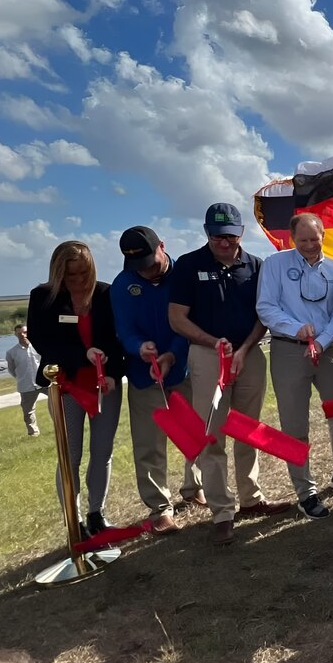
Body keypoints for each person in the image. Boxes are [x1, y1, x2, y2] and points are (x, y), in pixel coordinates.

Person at [169, 204, 291, 546]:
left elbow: (263, 313)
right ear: (207, 232)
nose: (224, 242)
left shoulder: (256, 266)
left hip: (249, 354)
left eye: (230, 235)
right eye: (216, 235)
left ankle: (251, 499)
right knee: (211, 435)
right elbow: (177, 318)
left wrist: (244, 348)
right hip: (208, 357)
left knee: (247, 429)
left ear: (241, 232)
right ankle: (222, 511)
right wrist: (213, 343)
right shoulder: (189, 266)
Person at [257, 213, 333, 521]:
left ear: (324, 235)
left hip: (327, 348)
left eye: (314, 238)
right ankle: (305, 491)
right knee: (294, 423)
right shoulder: (275, 265)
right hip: (288, 350)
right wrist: (295, 328)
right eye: (303, 240)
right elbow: (266, 306)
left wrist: (321, 341)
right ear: (293, 239)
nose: (309, 245)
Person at [27, 241, 126, 534]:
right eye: (72, 276)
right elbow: (43, 341)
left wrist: (112, 372)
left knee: (102, 451)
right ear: (59, 274)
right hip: (66, 386)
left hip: (104, 385)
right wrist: (81, 355)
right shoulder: (43, 297)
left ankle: (97, 513)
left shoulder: (107, 294)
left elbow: (117, 339)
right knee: (70, 455)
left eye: (85, 273)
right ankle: (75, 519)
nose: (80, 281)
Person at [111, 226, 202, 536]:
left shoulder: (184, 276)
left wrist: (173, 355)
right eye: (139, 267)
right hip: (143, 374)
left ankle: (195, 487)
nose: (147, 271)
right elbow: (123, 329)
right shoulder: (123, 284)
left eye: (151, 262)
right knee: (149, 444)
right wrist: (140, 348)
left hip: (182, 368)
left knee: (195, 433)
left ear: (162, 246)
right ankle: (160, 508)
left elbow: (190, 323)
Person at [5, 324, 42, 437]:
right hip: (25, 385)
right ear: (15, 334)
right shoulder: (11, 352)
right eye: (19, 333)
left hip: (43, 382)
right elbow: (12, 370)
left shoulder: (39, 347)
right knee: (28, 411)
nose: (22, 335)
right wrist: (21, 378)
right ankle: (33, 432)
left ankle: (60, 426)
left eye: (24, 332)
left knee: (56, 404)